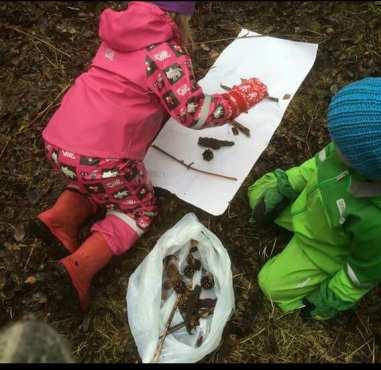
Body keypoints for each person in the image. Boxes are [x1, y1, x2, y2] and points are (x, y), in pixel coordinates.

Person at [31, 1, 268, 312]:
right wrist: (241, 97)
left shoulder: (117, 33)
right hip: (104, 159)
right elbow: (193, 113)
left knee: (93, 179)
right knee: (136, 208)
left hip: (61, 141)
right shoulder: (165, 54)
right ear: (181, 15)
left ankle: (60, 219)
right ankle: (79, 267)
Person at [248, 77, 381, 320]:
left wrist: (334, 297)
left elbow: (365, 270)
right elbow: (322, 162)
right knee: (258, 195)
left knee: (271, 286)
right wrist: (290, 183)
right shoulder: (360, 149)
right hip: (314, 206)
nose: (333, 144)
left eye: (341, 145)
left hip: (325, 249)